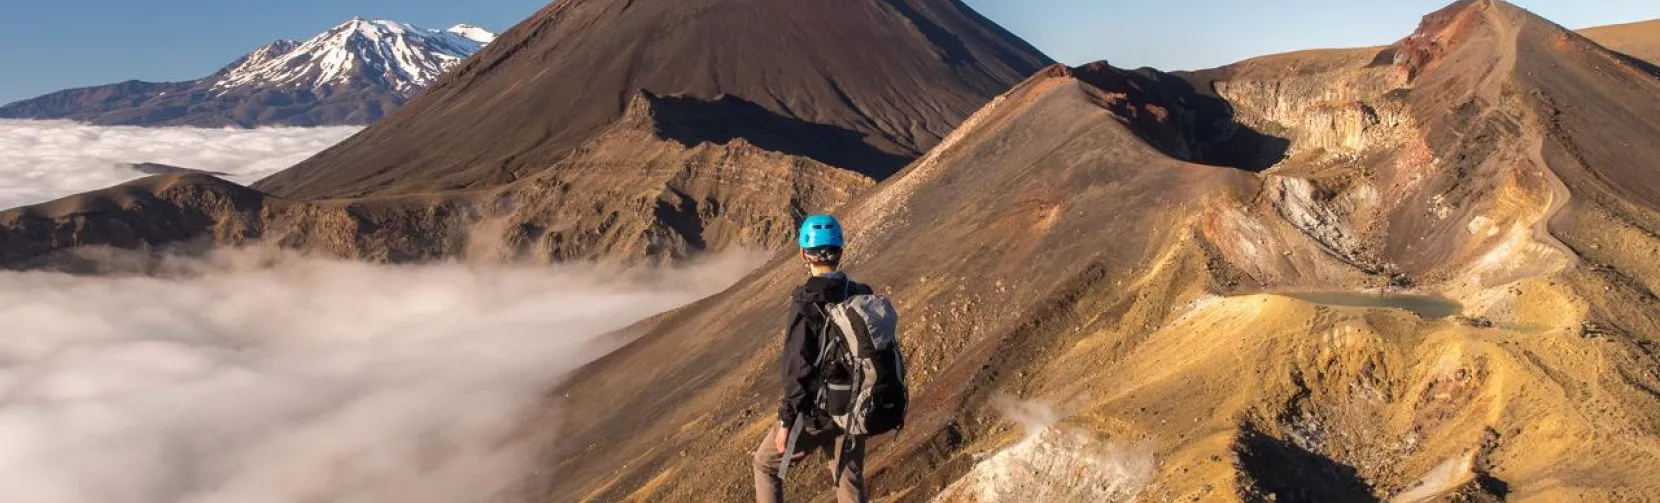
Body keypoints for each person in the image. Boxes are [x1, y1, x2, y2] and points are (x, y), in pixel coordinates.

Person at [753, 214, 872, 503]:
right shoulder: (860, 294)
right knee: (847, 480)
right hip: (854, 406)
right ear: (840, 252)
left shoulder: (806, 303)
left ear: (804, 255)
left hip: (817, 413)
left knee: (765, 465)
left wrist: (786, 421)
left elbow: (798, 366)